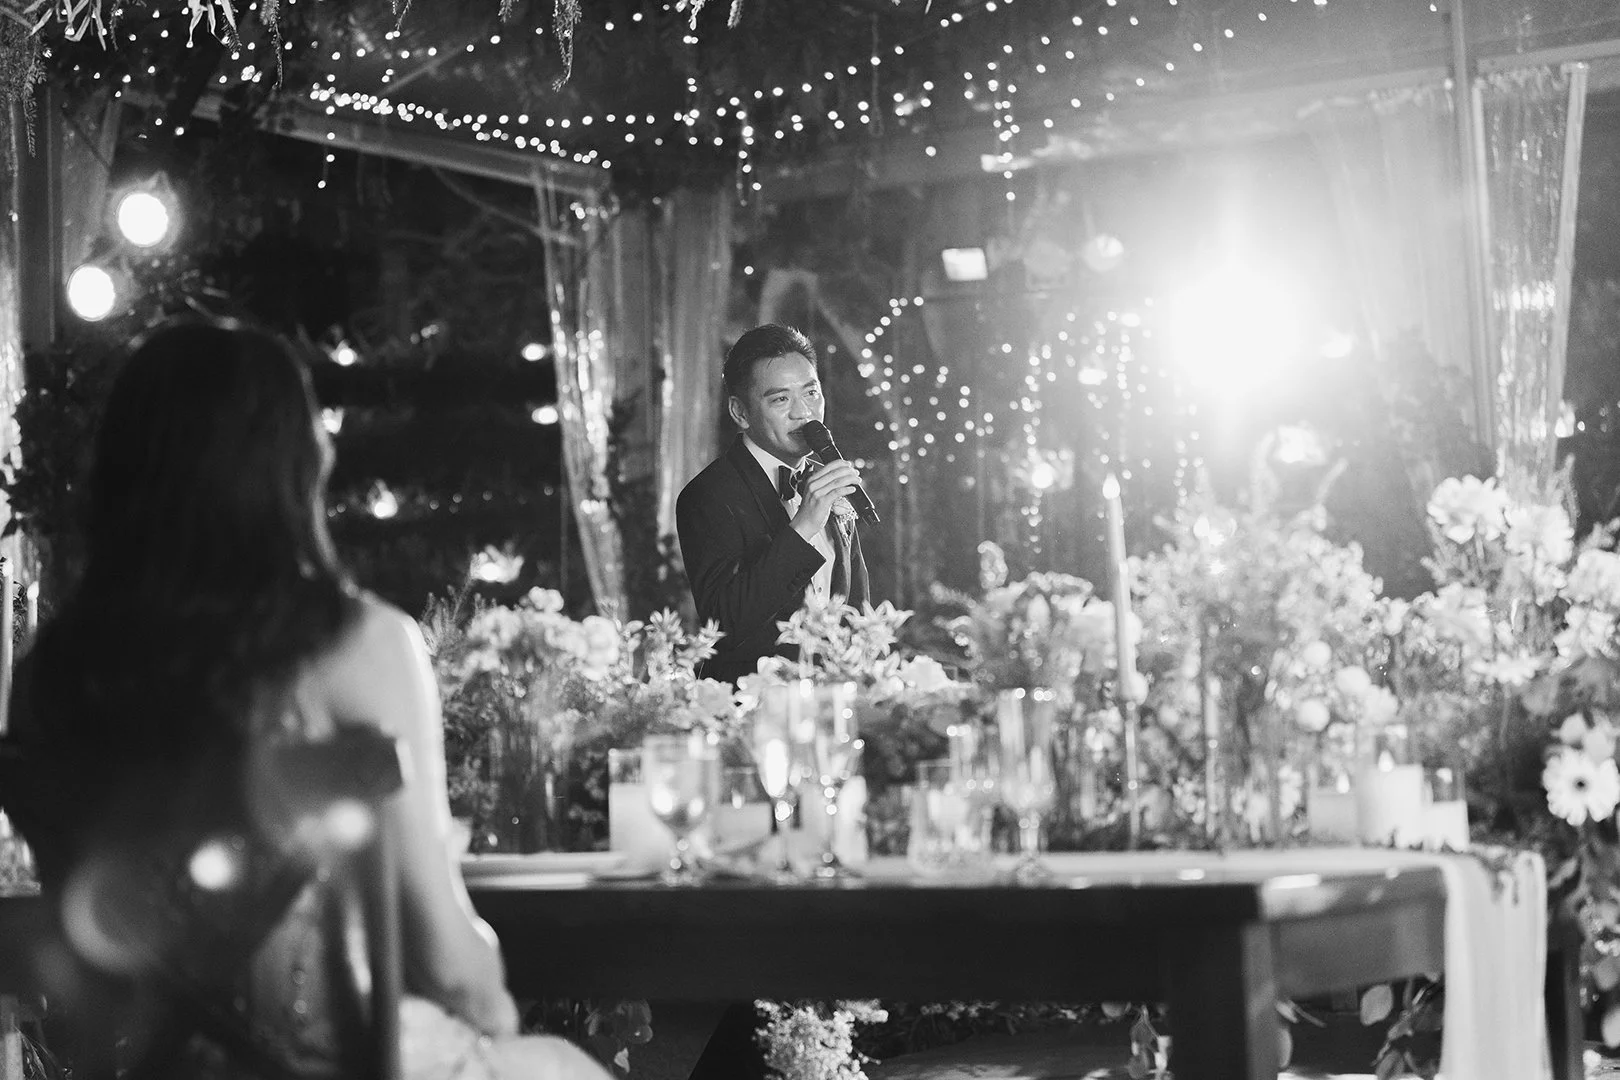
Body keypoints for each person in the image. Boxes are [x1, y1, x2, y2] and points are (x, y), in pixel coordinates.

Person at [5, 319, 611, 1080]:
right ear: (293, 465)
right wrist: (493, 1027)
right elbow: (451, 966)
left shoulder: (49, 676)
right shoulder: (357, 644)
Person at [676, 323, 871, 686]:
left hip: (831, 697)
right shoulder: (707, 495)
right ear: (740, 412)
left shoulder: (827, 480)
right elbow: (724, 623)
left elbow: (856, 608)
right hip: (749, 700)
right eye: (781, 399)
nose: (804, 412)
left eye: (811, 393)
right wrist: (803, 527)